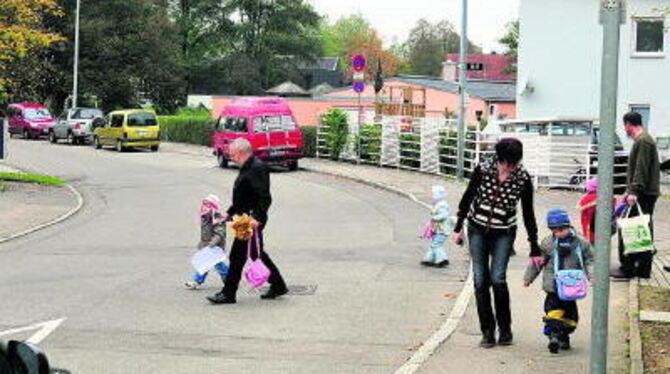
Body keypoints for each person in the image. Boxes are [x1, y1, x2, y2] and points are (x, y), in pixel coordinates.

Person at [452, 138, 540, 348]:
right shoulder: (483, 169)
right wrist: (458, 227)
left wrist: (534, 246)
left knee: (498, 279)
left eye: (514, 162)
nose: (510, 167)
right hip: (477, 229)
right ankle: (488, 332)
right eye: (506, 162)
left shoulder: (522, 178)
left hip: (504, 233)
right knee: (481, 281)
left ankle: (505, 329)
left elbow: (528, 213)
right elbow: (468, 196)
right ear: (499, 158)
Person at [207, 138, 288, 304]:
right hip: (245, 218)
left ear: (242, 152)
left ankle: (228, 294)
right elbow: (242, 198)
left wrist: (256, 218)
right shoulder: (248, 166)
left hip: (251, 221)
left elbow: (265, 197)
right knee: (256, 254)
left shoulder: (257, 168)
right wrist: (229, 214)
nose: (231, 157)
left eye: (233, 154)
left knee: (237, 256)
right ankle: (278, 285)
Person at [523, 209, 593, 354]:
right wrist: (528, 278)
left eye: (562, 229)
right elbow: (538, 262)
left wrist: (592, 276)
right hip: (553, 287)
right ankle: (553, 337)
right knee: (553, 312)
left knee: (570, 317)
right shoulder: (548, 243)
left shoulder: (580, 243)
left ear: (568, 226)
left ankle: (564, 337)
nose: (559, 233)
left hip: (570, 289)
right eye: (555, 231)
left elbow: (589, 260)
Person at [611, 112, 660, 280]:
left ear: (628, 124)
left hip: (643, 194)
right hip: (645, 193)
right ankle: (642, 269)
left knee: (630, 228)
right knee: (641, 230)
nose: (624, 129)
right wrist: (629, 190)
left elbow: (641, 168)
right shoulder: (644, 140)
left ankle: (629, 268)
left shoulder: (643, 141)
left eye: (624, 125)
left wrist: (634, 191)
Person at [185, 195, 229, 290]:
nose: (205, 207)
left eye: (208, 205)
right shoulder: (205, 217)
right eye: (204, 205)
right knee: (204, 264)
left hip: (215, 246)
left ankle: (229, 280)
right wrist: (202, 243)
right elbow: (205, 233)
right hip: (207, 246)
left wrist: (213, 242)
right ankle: (197, 281)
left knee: (219, 265)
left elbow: (220, 232)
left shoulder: (217, 217)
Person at [420, 185, 451, 268]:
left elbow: (444, 215)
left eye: (434, 194)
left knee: (436, 244)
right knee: (434, 244)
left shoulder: (442, 205)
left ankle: (442, 259)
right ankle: (430, 259)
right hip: (437, 229)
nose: (432, 196)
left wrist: (434, 217)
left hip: (442, 230)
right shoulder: (438, 204)